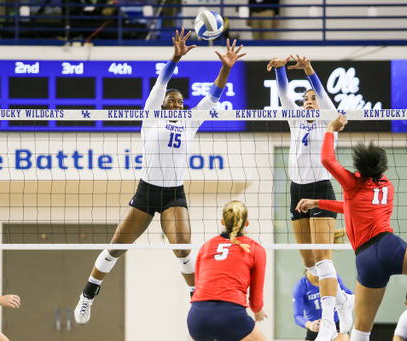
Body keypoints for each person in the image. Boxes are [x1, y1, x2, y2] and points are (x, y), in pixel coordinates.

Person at [74, 28, 246, 325]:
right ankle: (88, 294)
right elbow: (161, 83)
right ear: (163, 104)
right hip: (146, 192)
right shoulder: (151, 116)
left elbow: (213, 96)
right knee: (116, 246)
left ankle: (198, 299)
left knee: (182, 248)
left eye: (181, 101)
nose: (177, 104)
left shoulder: (190, 121)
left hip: (173, 194)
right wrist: (175, 57)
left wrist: (225, 68)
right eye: (172, 101)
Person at [295, 114, 407, 341]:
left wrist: (331, 128)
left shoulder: (352, 183)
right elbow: (352, 206)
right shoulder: (387, 186)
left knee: (361, 329)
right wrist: (319, 203)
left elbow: (327, 160)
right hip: (390, 246)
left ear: (360, 166)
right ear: (382, 168)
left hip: (366, 258)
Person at [267, 55, 354, 341]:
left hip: (320, 190)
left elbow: (325, 99)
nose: (308, 101)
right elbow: (282, 93)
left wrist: (307, 70)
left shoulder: (328, 122)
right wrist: (280, 69)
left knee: (322, 257)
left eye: (313, 98)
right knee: (309, 262)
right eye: (305, 98)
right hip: (297, 190)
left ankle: (330, 321)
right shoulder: (295, 121)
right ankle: (342, 299)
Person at [187, 200, 268, 341]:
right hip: (230, 315)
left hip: (198, 317)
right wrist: (258, 311)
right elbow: (255, 297)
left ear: (222, 221)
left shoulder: (206, 246)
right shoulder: (254, 248)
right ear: (246, 223)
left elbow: (197, 283)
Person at [293, 269, 353, 341]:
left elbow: (349, 296)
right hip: (316, 327)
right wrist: (310, 325)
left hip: (336, 324)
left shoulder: (332, 278)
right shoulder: (301, 286)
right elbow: (298, 316)